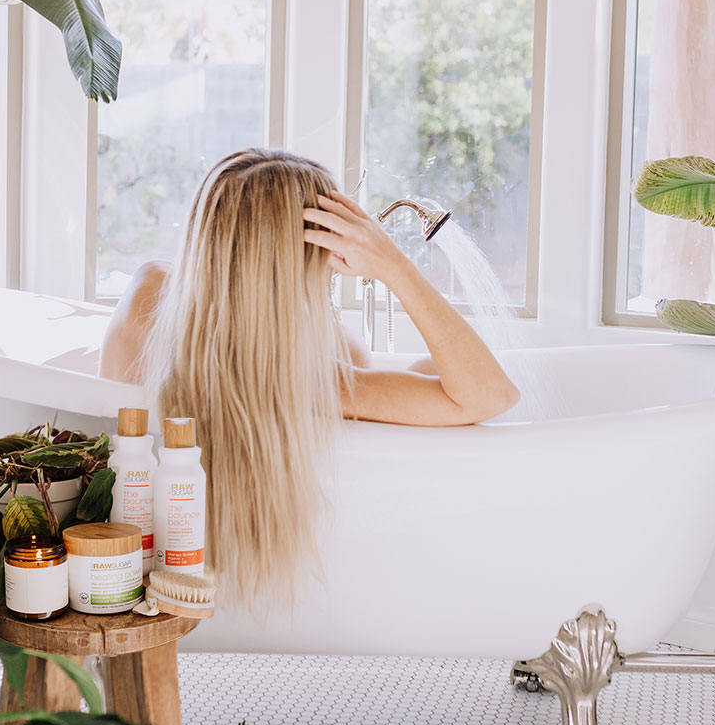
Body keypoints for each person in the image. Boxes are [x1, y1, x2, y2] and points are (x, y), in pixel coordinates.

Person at [100, 148, 518, 602]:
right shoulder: (318, 376)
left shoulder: (148, 296)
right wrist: (393, 265)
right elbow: (490, 394)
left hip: (117, 575)